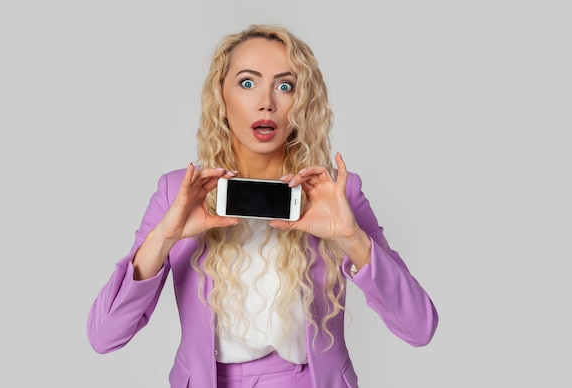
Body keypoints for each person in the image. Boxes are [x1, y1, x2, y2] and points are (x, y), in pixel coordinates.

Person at [87, 24, 438, 388]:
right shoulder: (179, 192)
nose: (267, 101)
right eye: (247, 83)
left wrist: (352, 238)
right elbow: (104, 337)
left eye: (285, 86)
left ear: (302, 105)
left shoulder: (335, 194)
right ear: (220, 98)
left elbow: (420, 328)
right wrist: (164, 238)